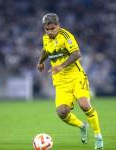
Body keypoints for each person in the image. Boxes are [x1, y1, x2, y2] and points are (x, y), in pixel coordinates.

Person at [37, 13, 104, 149]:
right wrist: (40, 62)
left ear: (58, 25)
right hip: (60, 82)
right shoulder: (45, 38)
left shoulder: (66, 36)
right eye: (47, 29)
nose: (49, 32)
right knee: (62, 112)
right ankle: (82, 126)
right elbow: (45, 50)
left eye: (52, 29)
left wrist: (61, 66)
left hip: (76, 77)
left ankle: (98, 137)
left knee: (85, 105)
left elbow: (77, 54)